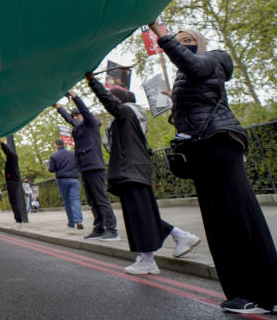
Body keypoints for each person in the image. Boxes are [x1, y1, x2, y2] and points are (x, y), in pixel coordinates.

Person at [150, 22, 277, 314]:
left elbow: (192, 64)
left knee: (238, 216)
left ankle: (265, 293)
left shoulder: (214, 58)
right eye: (179, 40)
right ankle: (243, 291)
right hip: (201, 149)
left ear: (199, 42)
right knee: (219, 222)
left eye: (188, 39)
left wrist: (160, 32)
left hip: (219, 144)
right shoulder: (187, 73)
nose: (183, 43)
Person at [85, 73, 200, 275]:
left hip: (131, 170)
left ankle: (148, 260)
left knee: (139, 215)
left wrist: (93, 82)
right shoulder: (133, 118)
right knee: (142, 214)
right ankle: (180, 236)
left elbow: (109, 102)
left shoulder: (126, 113)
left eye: (114, 97)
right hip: (135, 169)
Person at [55, 92, 119, 241]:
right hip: (84, 167)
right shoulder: (78, 128)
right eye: (74, 116)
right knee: (92, 200)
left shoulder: (91, 123)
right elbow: (68, 118)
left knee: (101, 199)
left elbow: (84, 110)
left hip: (95, 166)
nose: (76, 118)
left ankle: (111, 229)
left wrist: (74, 96)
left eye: (78, 116)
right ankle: (99, 228)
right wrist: (58, 107)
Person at [48, 139, 83, 230]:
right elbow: (78, 164)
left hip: (62, 179)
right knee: (76, 200)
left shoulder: (53, 156)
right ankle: (79, 221)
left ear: (56, 145)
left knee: (67, 201)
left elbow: (51, 169)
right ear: (63, 144)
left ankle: (71, 222)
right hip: (74, 179)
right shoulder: (72, 154)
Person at [0, 138, 28, 224]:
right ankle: (18, 219)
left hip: (12, 181)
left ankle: (18, 220)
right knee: (13, 200)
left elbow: (6, 150)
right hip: (12, 180)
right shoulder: (11, 158)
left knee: (13, 200)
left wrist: (1, 142)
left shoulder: (12, 157)